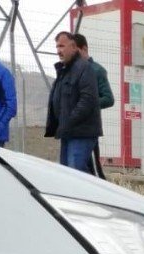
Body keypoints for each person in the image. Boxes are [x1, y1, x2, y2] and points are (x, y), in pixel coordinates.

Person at [45, 31, 102, 173]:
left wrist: (69, 121)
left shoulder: (84, 68)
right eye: (57, 47)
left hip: (81, 132)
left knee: (75, 173)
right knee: (67, 174)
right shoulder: (64, 70)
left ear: (73, 47)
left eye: (62, 46)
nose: (59, 51)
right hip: (68, 132)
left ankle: (91, 195)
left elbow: (87, 100)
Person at [73, 33, 115, 179]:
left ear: (84, 49)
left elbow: (109, 99)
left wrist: (87, 103)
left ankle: (106, 198)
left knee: (94, 172)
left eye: (75, 51)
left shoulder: (96, 70)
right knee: (75, 170)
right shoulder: (70, 71)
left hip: (88, 129)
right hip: (72, 128)